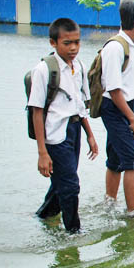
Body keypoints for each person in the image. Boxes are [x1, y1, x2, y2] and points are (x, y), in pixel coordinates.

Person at [30, 18, 98, 233]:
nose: (73, 48)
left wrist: (89, 134)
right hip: (54, 135)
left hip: (74, 129)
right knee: (70, 185)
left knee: (62, 181)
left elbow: (80, 103)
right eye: (67, 43)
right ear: (53, 43)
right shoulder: (43, 69)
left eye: (77, 42)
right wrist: (42, 152)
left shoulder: (78, 66)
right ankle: (73, 232)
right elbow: (37, 111)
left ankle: (44, 216)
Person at [100, 0, 134, 217]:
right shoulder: (115, 48)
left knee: (115, 158)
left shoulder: (132, 46)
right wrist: (132, 119)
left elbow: (130, 88)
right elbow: (113, 90)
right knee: (132, 160)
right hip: (113, 107)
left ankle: (109, 202)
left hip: (125, 104)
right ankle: (132, 212)